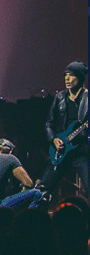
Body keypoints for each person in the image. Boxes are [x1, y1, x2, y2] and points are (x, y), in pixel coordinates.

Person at [39, 61, 89, 199]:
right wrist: (54, 139)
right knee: (42, 189)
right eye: (65, 75)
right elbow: (49, 123)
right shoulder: (60, 97)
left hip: (82, 152)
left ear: (79, 77)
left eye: (71, 75)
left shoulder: (87, 98)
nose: (67, 79)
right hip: (61, 150)